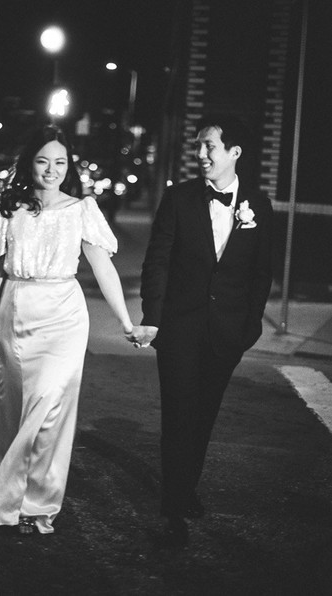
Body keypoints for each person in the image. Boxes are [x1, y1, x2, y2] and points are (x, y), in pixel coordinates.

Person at [0, 124, 134, 535]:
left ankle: (34, 501)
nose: (52, 170)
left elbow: (103, 267)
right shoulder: (7, 206)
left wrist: (126, 322)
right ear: (29, 163)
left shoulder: (82, 209)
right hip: (17, 312)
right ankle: (1, 471)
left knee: (50, 406)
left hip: (65, 315)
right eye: (43, 161)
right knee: (17, 404)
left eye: (60, 162)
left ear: (69, 166)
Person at [131, 114, 273, 545]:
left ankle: (184, 487)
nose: (200, 154)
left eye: (209, 146)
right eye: (198, 146)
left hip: (227, 334)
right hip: (178, 328)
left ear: (235, 152)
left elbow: (261, 273)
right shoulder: (178, 198)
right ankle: (173, 507)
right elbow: (157, 261)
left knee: (203, 417)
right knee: (178, 415)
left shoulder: (259, 205)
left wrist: (249, 328)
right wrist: (152, 317)